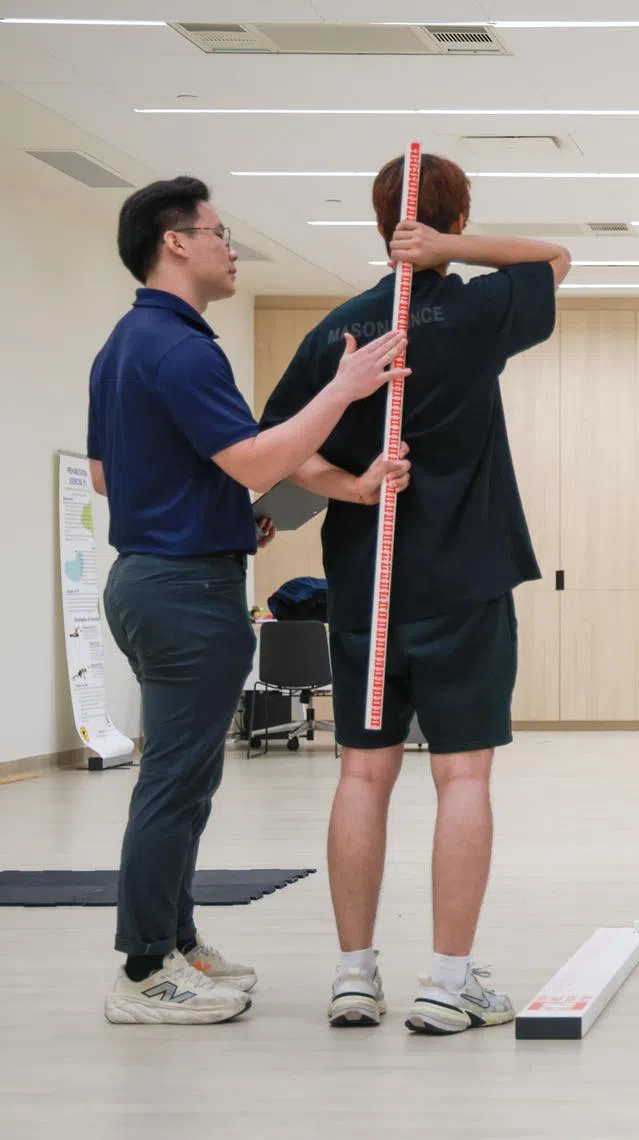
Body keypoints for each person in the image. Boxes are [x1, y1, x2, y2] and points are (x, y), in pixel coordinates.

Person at [260, 152, 571, 1035]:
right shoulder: (476, 310)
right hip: (462, 581)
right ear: (456, 217)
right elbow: (553, 257)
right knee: (461, 772)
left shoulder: (338, 330)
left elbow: (282, 452)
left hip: (367, 586)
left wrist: (355, 489)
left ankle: (353, 977)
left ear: (379, 221)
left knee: (363, 771)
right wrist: (450, 248)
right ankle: (446, 982)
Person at [89, 176, 411, 1025]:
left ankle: (176, 941)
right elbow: (258, 461)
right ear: (176, 243)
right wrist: (344, 388)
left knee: (188, 779)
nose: (232, 249)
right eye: (219, 233)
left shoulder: (125, 343)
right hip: (183, 588)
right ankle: (143, 970)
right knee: (174, 783)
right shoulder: (181, 348)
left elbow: (108, 474)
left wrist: (217, 513)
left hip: (152, 576)